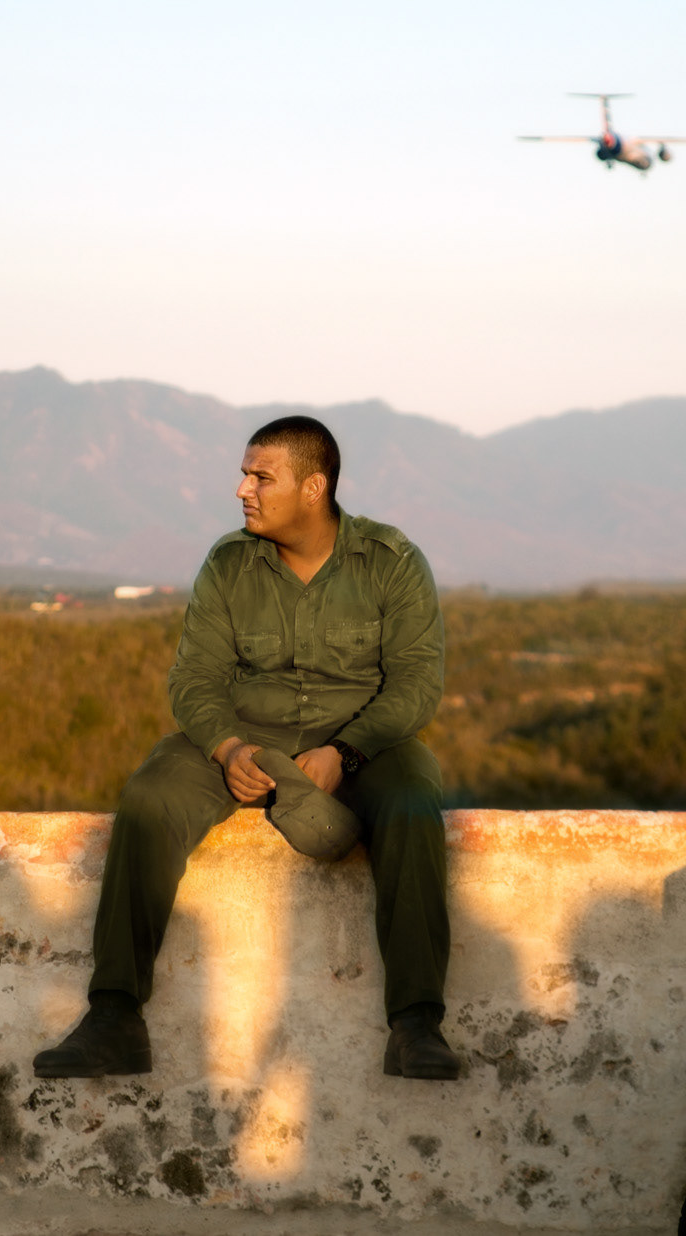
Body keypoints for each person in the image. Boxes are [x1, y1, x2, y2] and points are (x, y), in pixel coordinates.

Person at [33, 414, 461, 1081]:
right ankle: (114, 1018)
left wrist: (344, 754)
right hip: (246, 739)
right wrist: (228, 749)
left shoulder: (391, 562)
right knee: (149, 796)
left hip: (365, 743)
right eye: (245, 475)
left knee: (412, 802)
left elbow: (415, 685)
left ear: (314, 487)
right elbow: (195, 678)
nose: (242, 490)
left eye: (261, 476)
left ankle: (415, 1025)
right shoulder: (229, 564)